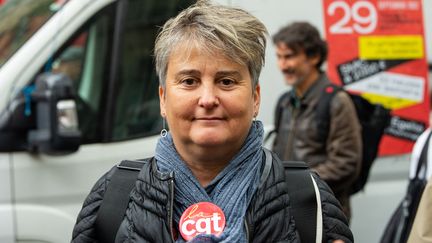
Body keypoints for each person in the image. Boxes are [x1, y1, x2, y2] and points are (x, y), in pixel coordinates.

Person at [71, 1, 353, 242]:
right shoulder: (113, 197)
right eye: (189, 81)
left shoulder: (308, 199)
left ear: (255, 98)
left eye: (227, 81)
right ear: (162, 99)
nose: (207, 98)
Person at [271, 22, 362, 221]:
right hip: (287, 210)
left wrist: (294, 182)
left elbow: (346, 164)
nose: (283, 65)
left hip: (324, 213)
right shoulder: (285, 102)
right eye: (279, 57)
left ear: (314, 57)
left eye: (290, 57)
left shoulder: (336, 101)